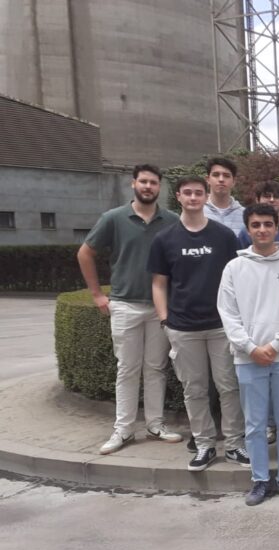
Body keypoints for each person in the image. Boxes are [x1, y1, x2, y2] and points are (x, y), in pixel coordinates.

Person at [77, 164, 184, 455]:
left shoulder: (172, 220)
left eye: (153, 182)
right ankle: (123, 429)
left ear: (160, 187)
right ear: (133, 184)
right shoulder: (113, 218)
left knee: (156, 369)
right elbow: (85, 253)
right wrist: (98, 294)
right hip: (124, 304)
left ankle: (155, 425)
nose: (148, 186)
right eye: (143, 181)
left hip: (160, 308)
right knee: (127, 368)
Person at [217, 203, 279, 506]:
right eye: (256, 225)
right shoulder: (234, 268)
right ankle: (260, 479)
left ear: (276, 226)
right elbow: (228, 313)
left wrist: (276, 345)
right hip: (248, 358)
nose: (262, 230)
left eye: (267, 224)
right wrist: (250, 347)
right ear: (248, 229)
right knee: (255, 423)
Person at [148, 175, 246, 471]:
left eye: (198, 193)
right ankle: (204, 445)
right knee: (194, 389)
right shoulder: (164, 239)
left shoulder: (224, 236)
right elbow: (158, 283)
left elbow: (237, 279)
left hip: (220, 326)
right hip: (183, 327)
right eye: (187, 193)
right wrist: (165, 320)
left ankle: (234, 445)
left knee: (229, 387)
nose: (193, 197)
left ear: (205, 197)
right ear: (178, 196)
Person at [238, 181, 279, 247]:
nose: (272, 200)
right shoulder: (246, 233)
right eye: (267, 196)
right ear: (257, 200)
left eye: (276, 196)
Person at [203, 156, 246, 236]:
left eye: (226, 176)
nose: (221, 179)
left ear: (234, 181)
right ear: (208, 179)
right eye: (216, 175)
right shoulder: (198, 212)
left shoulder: (245, 215)